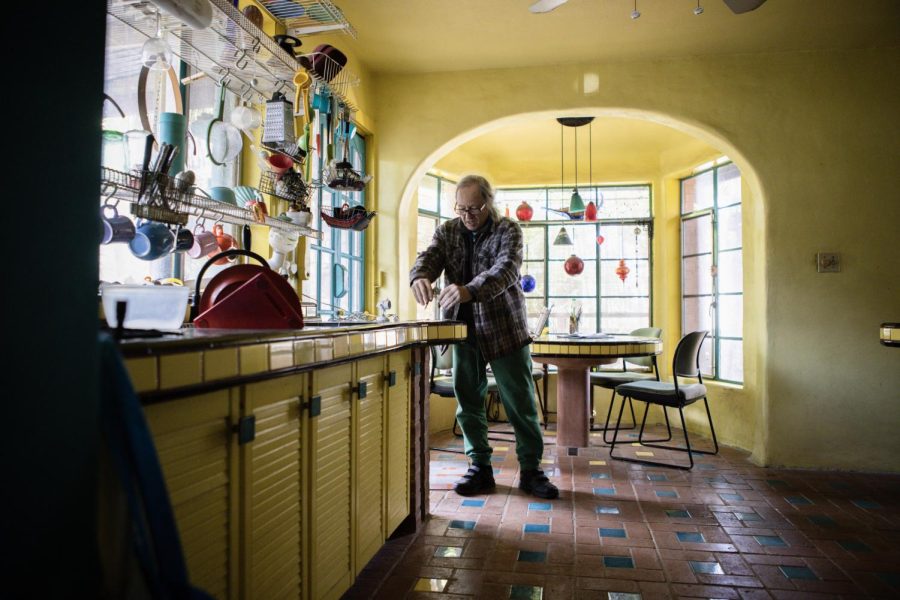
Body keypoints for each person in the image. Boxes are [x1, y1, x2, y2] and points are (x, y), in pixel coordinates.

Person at [410, 174, 558, 499]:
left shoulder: (508, 230)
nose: (467, 216)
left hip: (505, 328)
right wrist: (419, 276)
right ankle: (479, 468)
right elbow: (430, 256)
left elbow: (506, 270)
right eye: (461, 209)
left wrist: (468, 290)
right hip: (463, 331)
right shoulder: (448, 231)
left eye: (474, 209)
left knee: (520, 402)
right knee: (468, 401)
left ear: (488, 203)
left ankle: (532, 471)